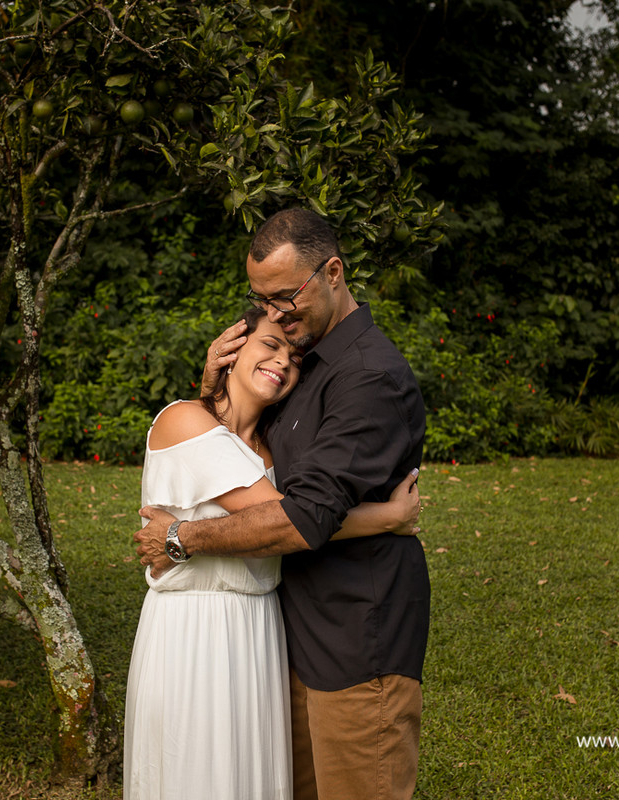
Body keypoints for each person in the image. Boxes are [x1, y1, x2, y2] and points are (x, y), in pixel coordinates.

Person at [135, 208, 429, 800]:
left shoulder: (367, 376)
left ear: (334, 272)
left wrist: (183, 537)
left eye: (283, 297)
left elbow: (301, 515)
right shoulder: (309, 363)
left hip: (355, 641)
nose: (274, 314)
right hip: (283, 640)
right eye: (260, 301)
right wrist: (212, 387)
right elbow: (229, 450)